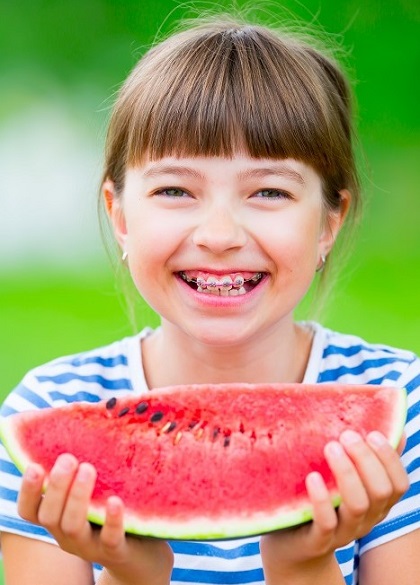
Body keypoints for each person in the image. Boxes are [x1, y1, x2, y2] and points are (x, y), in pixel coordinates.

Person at [0, 13, 419, 585]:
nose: (219, 235)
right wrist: (132, 575)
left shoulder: (402, 410)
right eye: (175, 190)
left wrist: (303, 566)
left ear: (329, 221)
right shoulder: (43, 411)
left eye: (269, 191)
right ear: (120, 215)